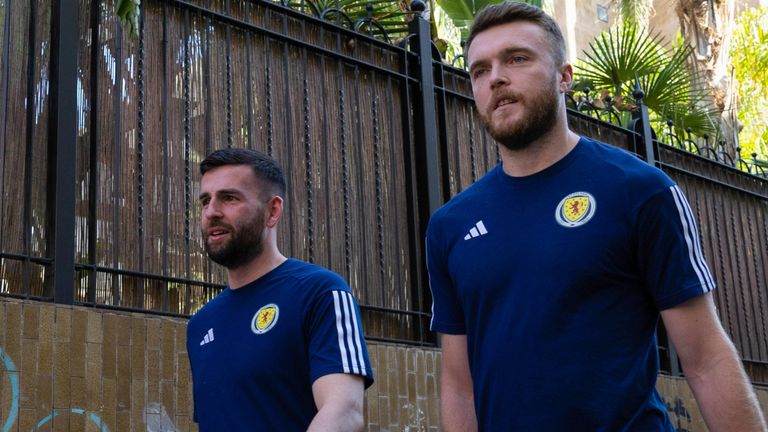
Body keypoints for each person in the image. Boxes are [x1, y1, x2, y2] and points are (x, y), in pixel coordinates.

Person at [426, 2, 767, 431]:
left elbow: (705, 358)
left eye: (517, 58)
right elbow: (460, 387)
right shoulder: (450, 226)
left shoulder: (640, 191)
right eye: (479, 70)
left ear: (564, 77)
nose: (496, 77)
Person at [187, 148, 373, 431]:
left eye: (229, 198)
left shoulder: (319, 293)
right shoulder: (200, 325)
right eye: (205, 201)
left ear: (272, 210)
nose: (211, 212)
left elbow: (344, 411)